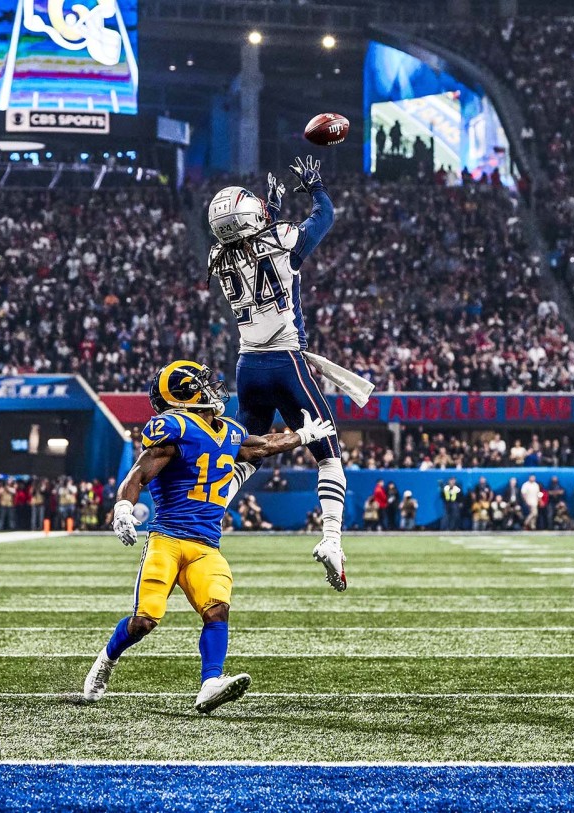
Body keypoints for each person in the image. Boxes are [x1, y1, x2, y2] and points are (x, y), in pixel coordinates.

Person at [82, 359, 337, 713]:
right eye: (200, 383)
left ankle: (209, 683)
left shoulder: (229, 431)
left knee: (217, 610)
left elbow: (262, 445)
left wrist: (303, 436)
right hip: (168, 539)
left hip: (206, 545)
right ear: (185, 394)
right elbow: (138, 475)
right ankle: (106, 661)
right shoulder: (174, 429)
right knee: (144, 621)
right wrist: (123, 508)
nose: (210, 388)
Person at [206, 156, 347, 591]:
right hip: (285, 360)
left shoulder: (216, 256)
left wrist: (270, 203)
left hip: (248, 365)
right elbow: (324, 218)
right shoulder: (282, 238)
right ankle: (331, 541)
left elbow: (252, 242)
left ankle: (210, 516)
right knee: (328, 452)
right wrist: (315, 185)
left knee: (249, 452)